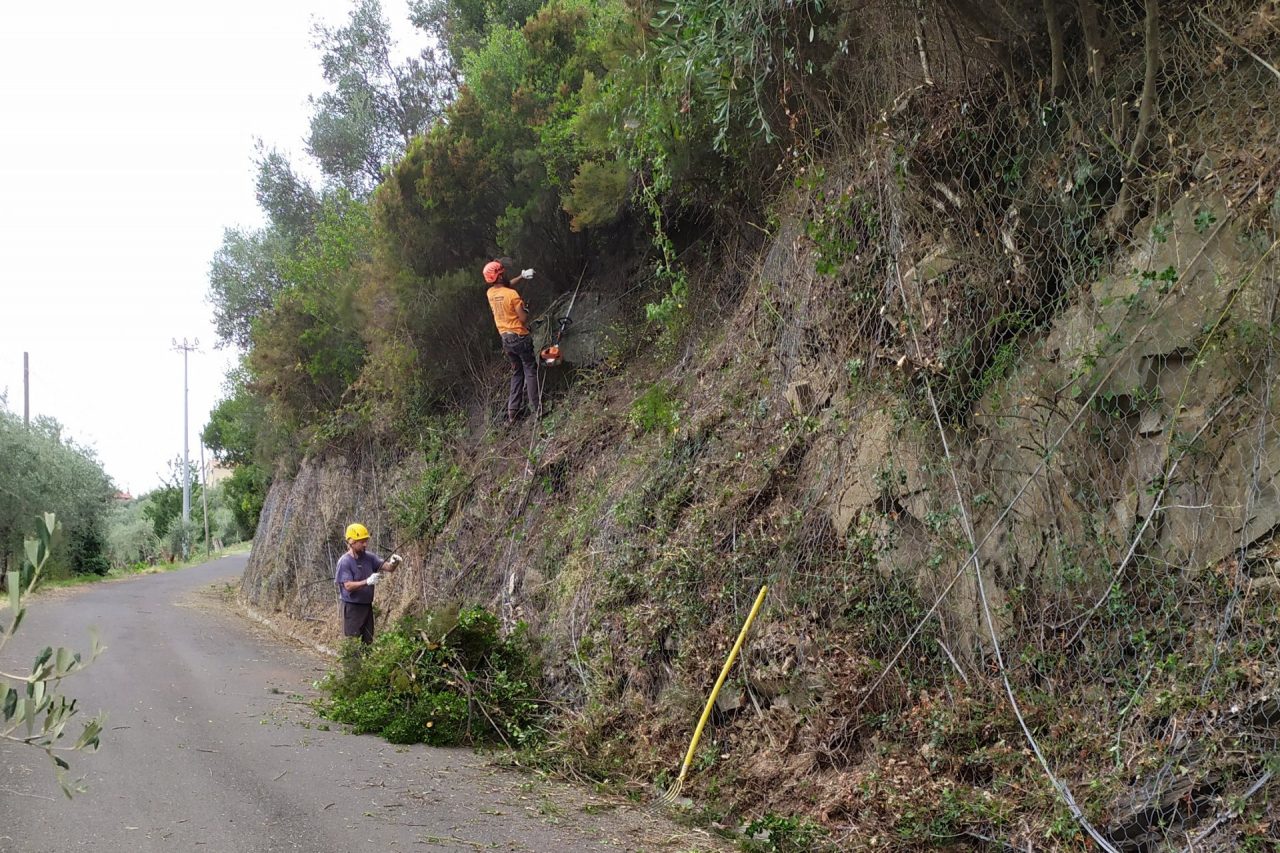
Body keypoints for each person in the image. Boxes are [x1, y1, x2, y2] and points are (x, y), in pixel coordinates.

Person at [484, 256, 541, 424]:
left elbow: (505, 288)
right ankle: (537, 408)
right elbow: (523, 318)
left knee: (517, 373)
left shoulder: (491, 293)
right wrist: (526, 309)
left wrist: (522, 276)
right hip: (519, 337)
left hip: (506, 340)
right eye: (503, 272)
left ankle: (512, 412)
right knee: (530, 369)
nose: (505, 274)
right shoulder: (512, 295)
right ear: (500, 276)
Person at [334, 523, 401, 644]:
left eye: (366, 541)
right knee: (353, 643)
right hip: (352, 608)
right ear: (352, 542)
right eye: (361, 541)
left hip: (367, 607)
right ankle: (353, 663)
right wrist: (367, 581)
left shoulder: (369, 557)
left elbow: (389, 568)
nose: (365, 544)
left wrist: (394, 562)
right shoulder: (345, 562)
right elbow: (348, 586)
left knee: (367, 642)